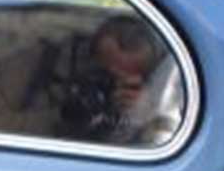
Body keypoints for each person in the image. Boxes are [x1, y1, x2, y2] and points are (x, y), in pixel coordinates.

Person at [72, 13, 184, 147]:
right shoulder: (146, 77)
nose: (112, 71)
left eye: (111, 60)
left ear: (138, 47)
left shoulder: (175, 76)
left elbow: (164, 140)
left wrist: (144, 111)